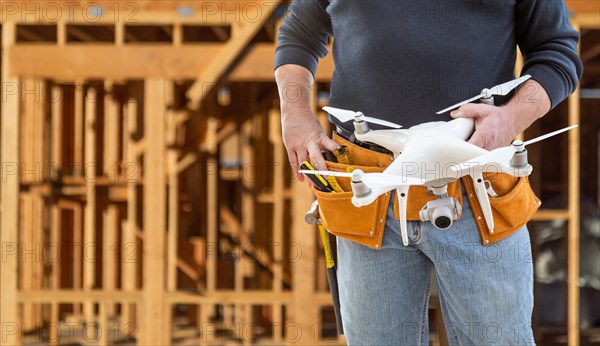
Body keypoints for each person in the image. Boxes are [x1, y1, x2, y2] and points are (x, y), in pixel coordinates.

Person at [274, 1, 583, 345]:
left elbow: (558, 52)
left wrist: (511, 117)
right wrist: (295, 112)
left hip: (478, 189)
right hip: (368, 192)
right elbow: (298, 38)